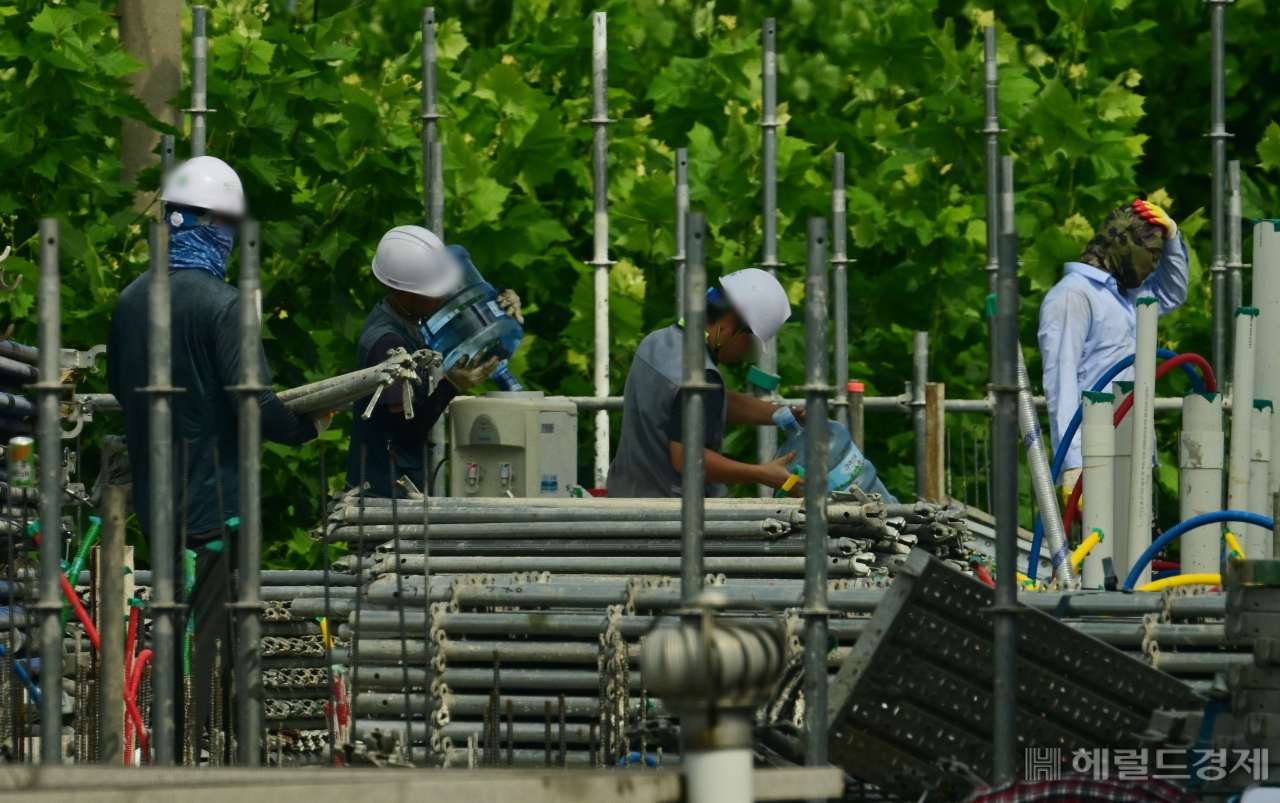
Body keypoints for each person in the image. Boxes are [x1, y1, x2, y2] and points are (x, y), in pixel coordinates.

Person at [107, 155, 330, 760]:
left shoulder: (129, 303)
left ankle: (181, 749)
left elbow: (123, 389)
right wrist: (308, 427)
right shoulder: (224, 305)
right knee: (222, 638)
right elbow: (253, 401)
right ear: (208, 223)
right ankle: (212, 760)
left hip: (158, 504)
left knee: (173, 625)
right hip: (218, 507)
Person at [344, 225, 523, 498]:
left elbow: (466, 330)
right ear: (401, 291)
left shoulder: (407, 316)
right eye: (432, 289)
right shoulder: (388, 345)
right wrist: (449, 387)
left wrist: (498, 303)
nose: (442, 296)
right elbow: (406, 432)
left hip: (400, 487)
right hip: (382, 498)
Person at [1039, 199, 1188, 495]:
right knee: (1099, 541)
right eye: (1151, 255)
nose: (1153, 265)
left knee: (1136, 541)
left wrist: (1172, 236)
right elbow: (1061, 382)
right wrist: (1072, 462)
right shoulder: (1072, 295)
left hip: (1131, 447)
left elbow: (1173, 293)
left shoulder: (1126, 294)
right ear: (1125, 246)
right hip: (1094, 454)